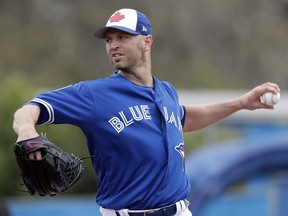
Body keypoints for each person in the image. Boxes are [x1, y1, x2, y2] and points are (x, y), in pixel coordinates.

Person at [12, 8, 280, 216]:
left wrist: (241, 103)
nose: (113, 45)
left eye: (123, 37)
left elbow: (183, 118)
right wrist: (26, 132)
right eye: (109, 39)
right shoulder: (94, 95)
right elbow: (29, 109)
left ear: (147, 41)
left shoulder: (166, 92)